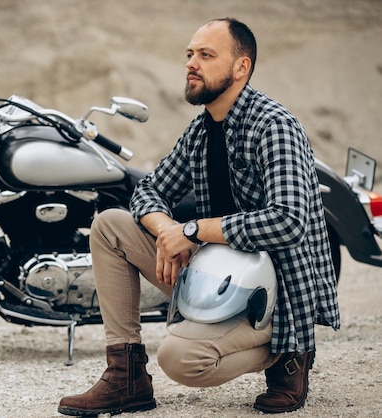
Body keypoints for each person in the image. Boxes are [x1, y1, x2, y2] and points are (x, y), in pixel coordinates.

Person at [58, 17, 340, 416]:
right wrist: (167, 232)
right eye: (190, 54)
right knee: (110, 225)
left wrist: (192, 231)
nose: (191, 63)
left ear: (241, 67)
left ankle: (287, 354)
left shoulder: (274, 126)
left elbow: (288, 221)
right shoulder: (201, 131)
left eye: (206, 55)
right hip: (218, 274)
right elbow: (148, 190)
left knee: (180, 359)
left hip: (275, 294)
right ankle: (127, 377)